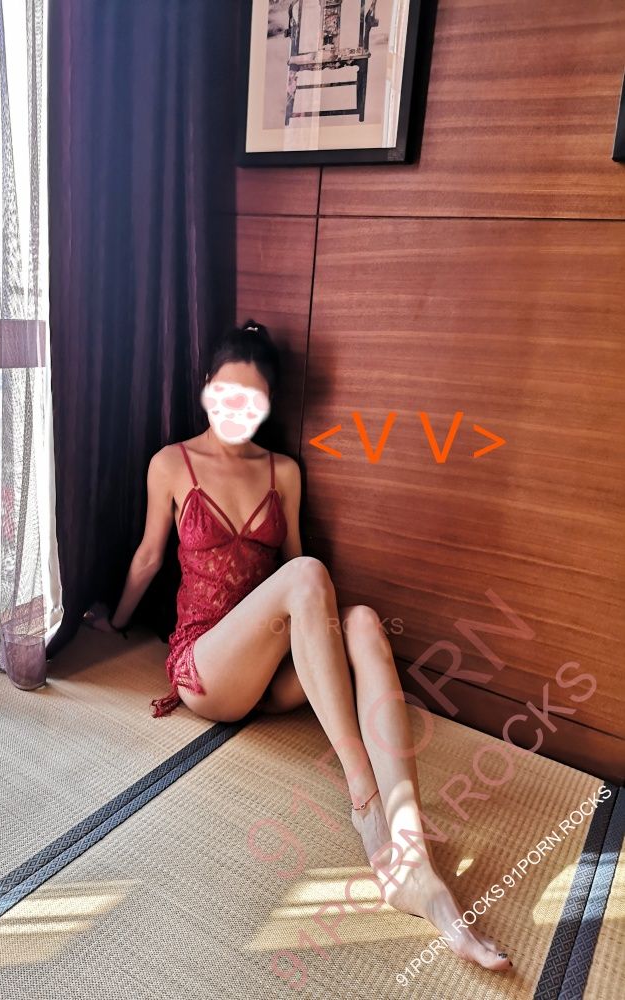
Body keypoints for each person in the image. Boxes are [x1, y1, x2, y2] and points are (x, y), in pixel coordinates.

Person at [83, 318, 513, 973]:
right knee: (311, 578)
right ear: (206, 386)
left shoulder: (282, 470)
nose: (236, 411)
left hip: (274, 671)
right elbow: (148, 557)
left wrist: (329, 644)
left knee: (363, 622)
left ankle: (413, 858)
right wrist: (114, 624)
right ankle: (366, 801)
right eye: (225, 394)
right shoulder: (171, 463)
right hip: (208, 668)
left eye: (252, 401)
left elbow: (294, 572)